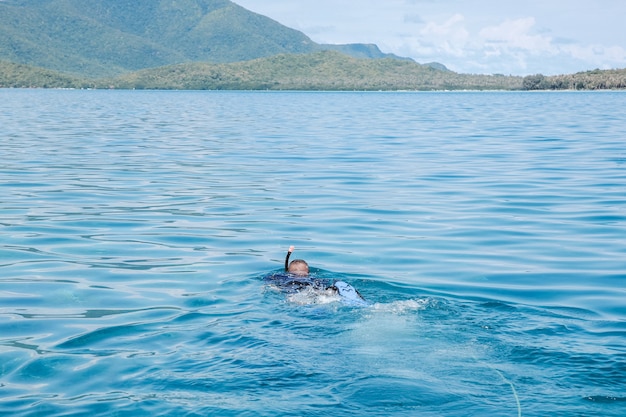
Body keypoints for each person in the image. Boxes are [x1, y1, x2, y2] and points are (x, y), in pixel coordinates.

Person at [266, 245, 368, 306]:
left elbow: (270, 285)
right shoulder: (315, 278)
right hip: (313, 288)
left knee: (298, 299)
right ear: (308, 272)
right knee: (323, 294)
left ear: (289, 271)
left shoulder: (279, 277)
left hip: (294, 291)